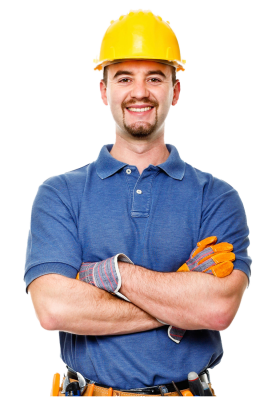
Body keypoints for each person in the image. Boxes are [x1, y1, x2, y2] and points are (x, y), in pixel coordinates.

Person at [24, 9, 252, 397]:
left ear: (175, 92)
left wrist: (111, 275)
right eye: (125, 78)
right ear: (104, 91)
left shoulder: (217, 197)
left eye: (155, 78)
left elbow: (216, 310)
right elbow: (55, 310)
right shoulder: (59, 193)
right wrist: (179, 300)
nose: (140, 92)